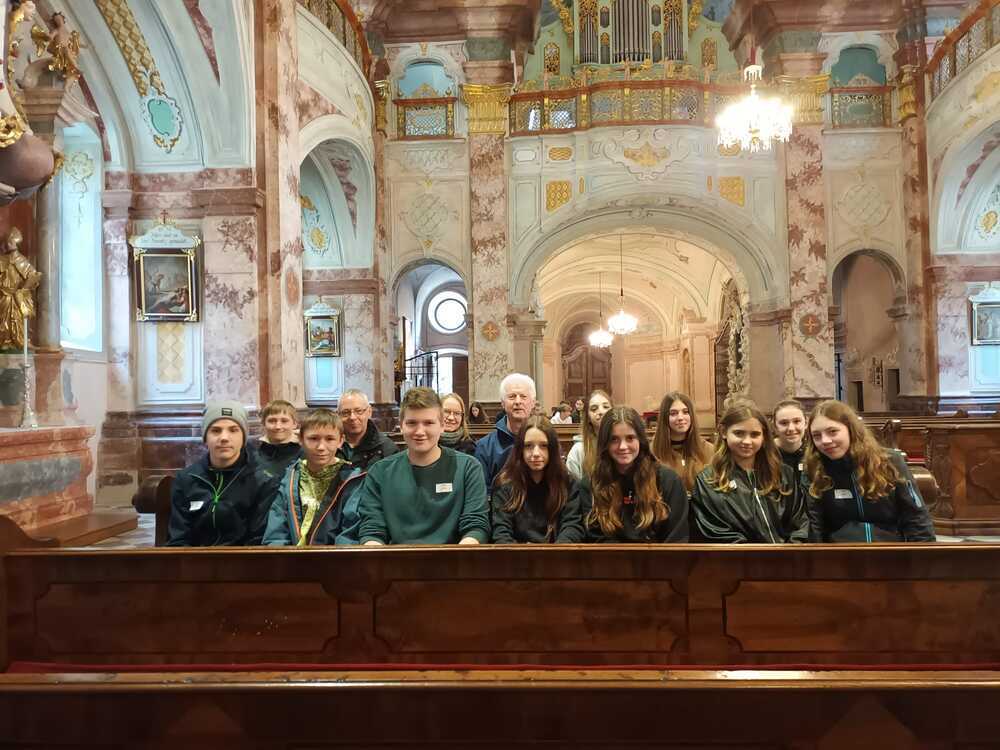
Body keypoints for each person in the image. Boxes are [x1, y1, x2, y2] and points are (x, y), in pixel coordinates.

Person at [358, 387, 490, 545]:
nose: (420, 431)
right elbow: (372, 530)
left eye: (428, 423)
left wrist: (460, 555)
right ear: (401, 425)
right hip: (395, 558)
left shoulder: (469, 467)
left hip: (454, 557)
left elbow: (475, 526)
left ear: (442, 425)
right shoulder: (379, 472)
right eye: (412, 423)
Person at [804, 400, 935, 543]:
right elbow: (815, 526)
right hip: (840, 552)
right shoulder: (815, 469)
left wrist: (922, 554)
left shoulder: (890, 461)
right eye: (817, 436)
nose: (825, 441)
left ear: (850, 429)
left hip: (890, 550)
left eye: (832, 432)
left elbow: (916, 516)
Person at [690, 402, 808, 543]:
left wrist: (791, 550)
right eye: (739, 433)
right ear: (723, 432)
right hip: (738, 555)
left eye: (755, 434)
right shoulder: (708, 480)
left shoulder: (783, 473)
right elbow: (715, 532)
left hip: (789, 555)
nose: (747, 441)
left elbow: (800, 522)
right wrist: (754, 555)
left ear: (764, 437)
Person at [166, 401, 275, 546]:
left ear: (243, 437)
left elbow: (258, 541)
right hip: (194, 558)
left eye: (233, 430)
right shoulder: (186, 479)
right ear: (205, 437)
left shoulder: (262, 480)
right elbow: (178, 539)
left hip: (245, 558)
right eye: (216, 431)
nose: (224, 438)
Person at [576, 406, 689, 543]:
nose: (623, 446)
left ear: (640, 440)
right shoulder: (591, 483)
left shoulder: (669, 480)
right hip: (608, 555)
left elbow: (677, 538)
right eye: (614, 439)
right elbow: (596, 539)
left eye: (630, 438)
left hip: (661, 555)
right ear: (605, 443)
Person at [262, 409, 367, 546]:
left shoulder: (352, 481)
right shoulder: (290, 478)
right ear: (301, 439)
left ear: (341, 441)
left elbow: (350, 533)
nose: (321, 447)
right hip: (291, 557)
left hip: (335, 556)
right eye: (313, 439)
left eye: (330, 439)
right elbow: (276, 533)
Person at [491, 416, 585, 543]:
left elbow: (572, 527)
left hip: (559, 553)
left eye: (543, 446)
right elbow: (501, 533)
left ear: (552, 449)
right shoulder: (504, 485)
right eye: (528, 446)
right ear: (520, 449)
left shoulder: (568, 484)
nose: (536, 453)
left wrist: (553, 552)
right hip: (516, 554)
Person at [474, 373, 537, 489]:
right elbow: (482, 491)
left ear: (533, 403)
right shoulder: (484, 447)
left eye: (523, 396)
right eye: (512, 396)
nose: (518, 401)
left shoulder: (546, 443)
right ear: (503, 403)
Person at [651, 391, 713, 494]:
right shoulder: (652, 452)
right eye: (673, 413)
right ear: (665, 418)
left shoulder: (709, 450)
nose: (680, 418)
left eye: (685, 412)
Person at [335, 389, 398, 471]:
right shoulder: (329, 444)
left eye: (358, 411)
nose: (352, 417)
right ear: (337, 415)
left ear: (369, 412)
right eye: (345, 412)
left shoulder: (387, 448)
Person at [0, 227, 41, 350]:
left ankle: (19, 341)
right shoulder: (1, 260)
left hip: (17, 296)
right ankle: (4, 341)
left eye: (10, 242)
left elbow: (33, 275)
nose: (8, 245)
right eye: (7, 242)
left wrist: (25, 287)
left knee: (18, 319)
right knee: (3, 320)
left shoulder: (22, 261)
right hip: (4, 295)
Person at [565, 389, 612, 483]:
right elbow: (573, 487)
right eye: (594, 409)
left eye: (606, 407)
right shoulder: (578, 451)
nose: (601, 412)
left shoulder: (623, 446)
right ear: (588, 417)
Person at [251, 399, 303, 480]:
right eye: (272, 421)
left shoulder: (306, 454)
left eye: (284, 421)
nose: (278, 426)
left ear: (294, 424)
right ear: (263, 423)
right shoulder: (252, 453)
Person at [773, 399, 807, 487]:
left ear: (806, 423)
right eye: (784, 423)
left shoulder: (814, 453)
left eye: (797, 421)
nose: (791, 428)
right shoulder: (766, 454)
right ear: (775, 427)